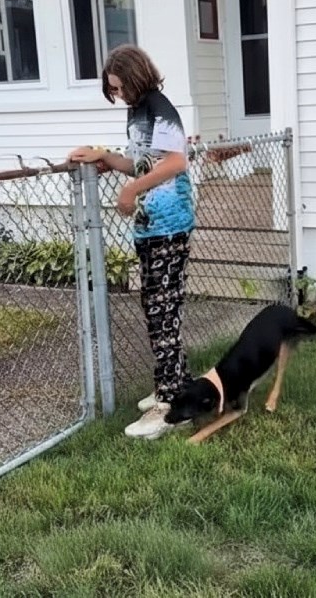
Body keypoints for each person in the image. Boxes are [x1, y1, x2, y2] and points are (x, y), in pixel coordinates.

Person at [68, 45, 195, 440]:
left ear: (135, 78)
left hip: (168, 225)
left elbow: (176, 162)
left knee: (161, 311)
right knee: (159, 307)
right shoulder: (137, 110)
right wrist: (104, 157)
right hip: (150, 226)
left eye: (119, 87)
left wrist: (130, 190)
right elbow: (143, 162)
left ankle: (171, 406)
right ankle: (177, 383)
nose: (117, 94)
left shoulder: (160, 107)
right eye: (113, 90)